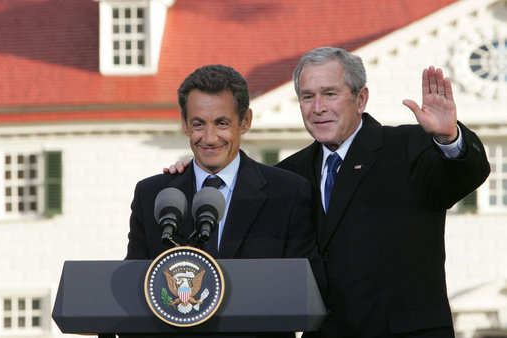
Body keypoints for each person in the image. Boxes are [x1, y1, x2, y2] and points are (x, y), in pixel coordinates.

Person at [164, 47, 490, 337]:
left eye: (330, 94)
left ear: (360, 98)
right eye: (307, 96)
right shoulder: (289, 174)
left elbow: (463, 175)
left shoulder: (407, 147)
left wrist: (449, 139)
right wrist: (195, 174)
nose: (317, 107)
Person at [126, 65, 325, 337]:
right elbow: (134, 291)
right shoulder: (153, 195)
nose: (209, 138)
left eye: (222, 123)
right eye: (198, 124)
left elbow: (308, 289)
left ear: (245, 121)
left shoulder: (288, 194)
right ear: (184, 124)